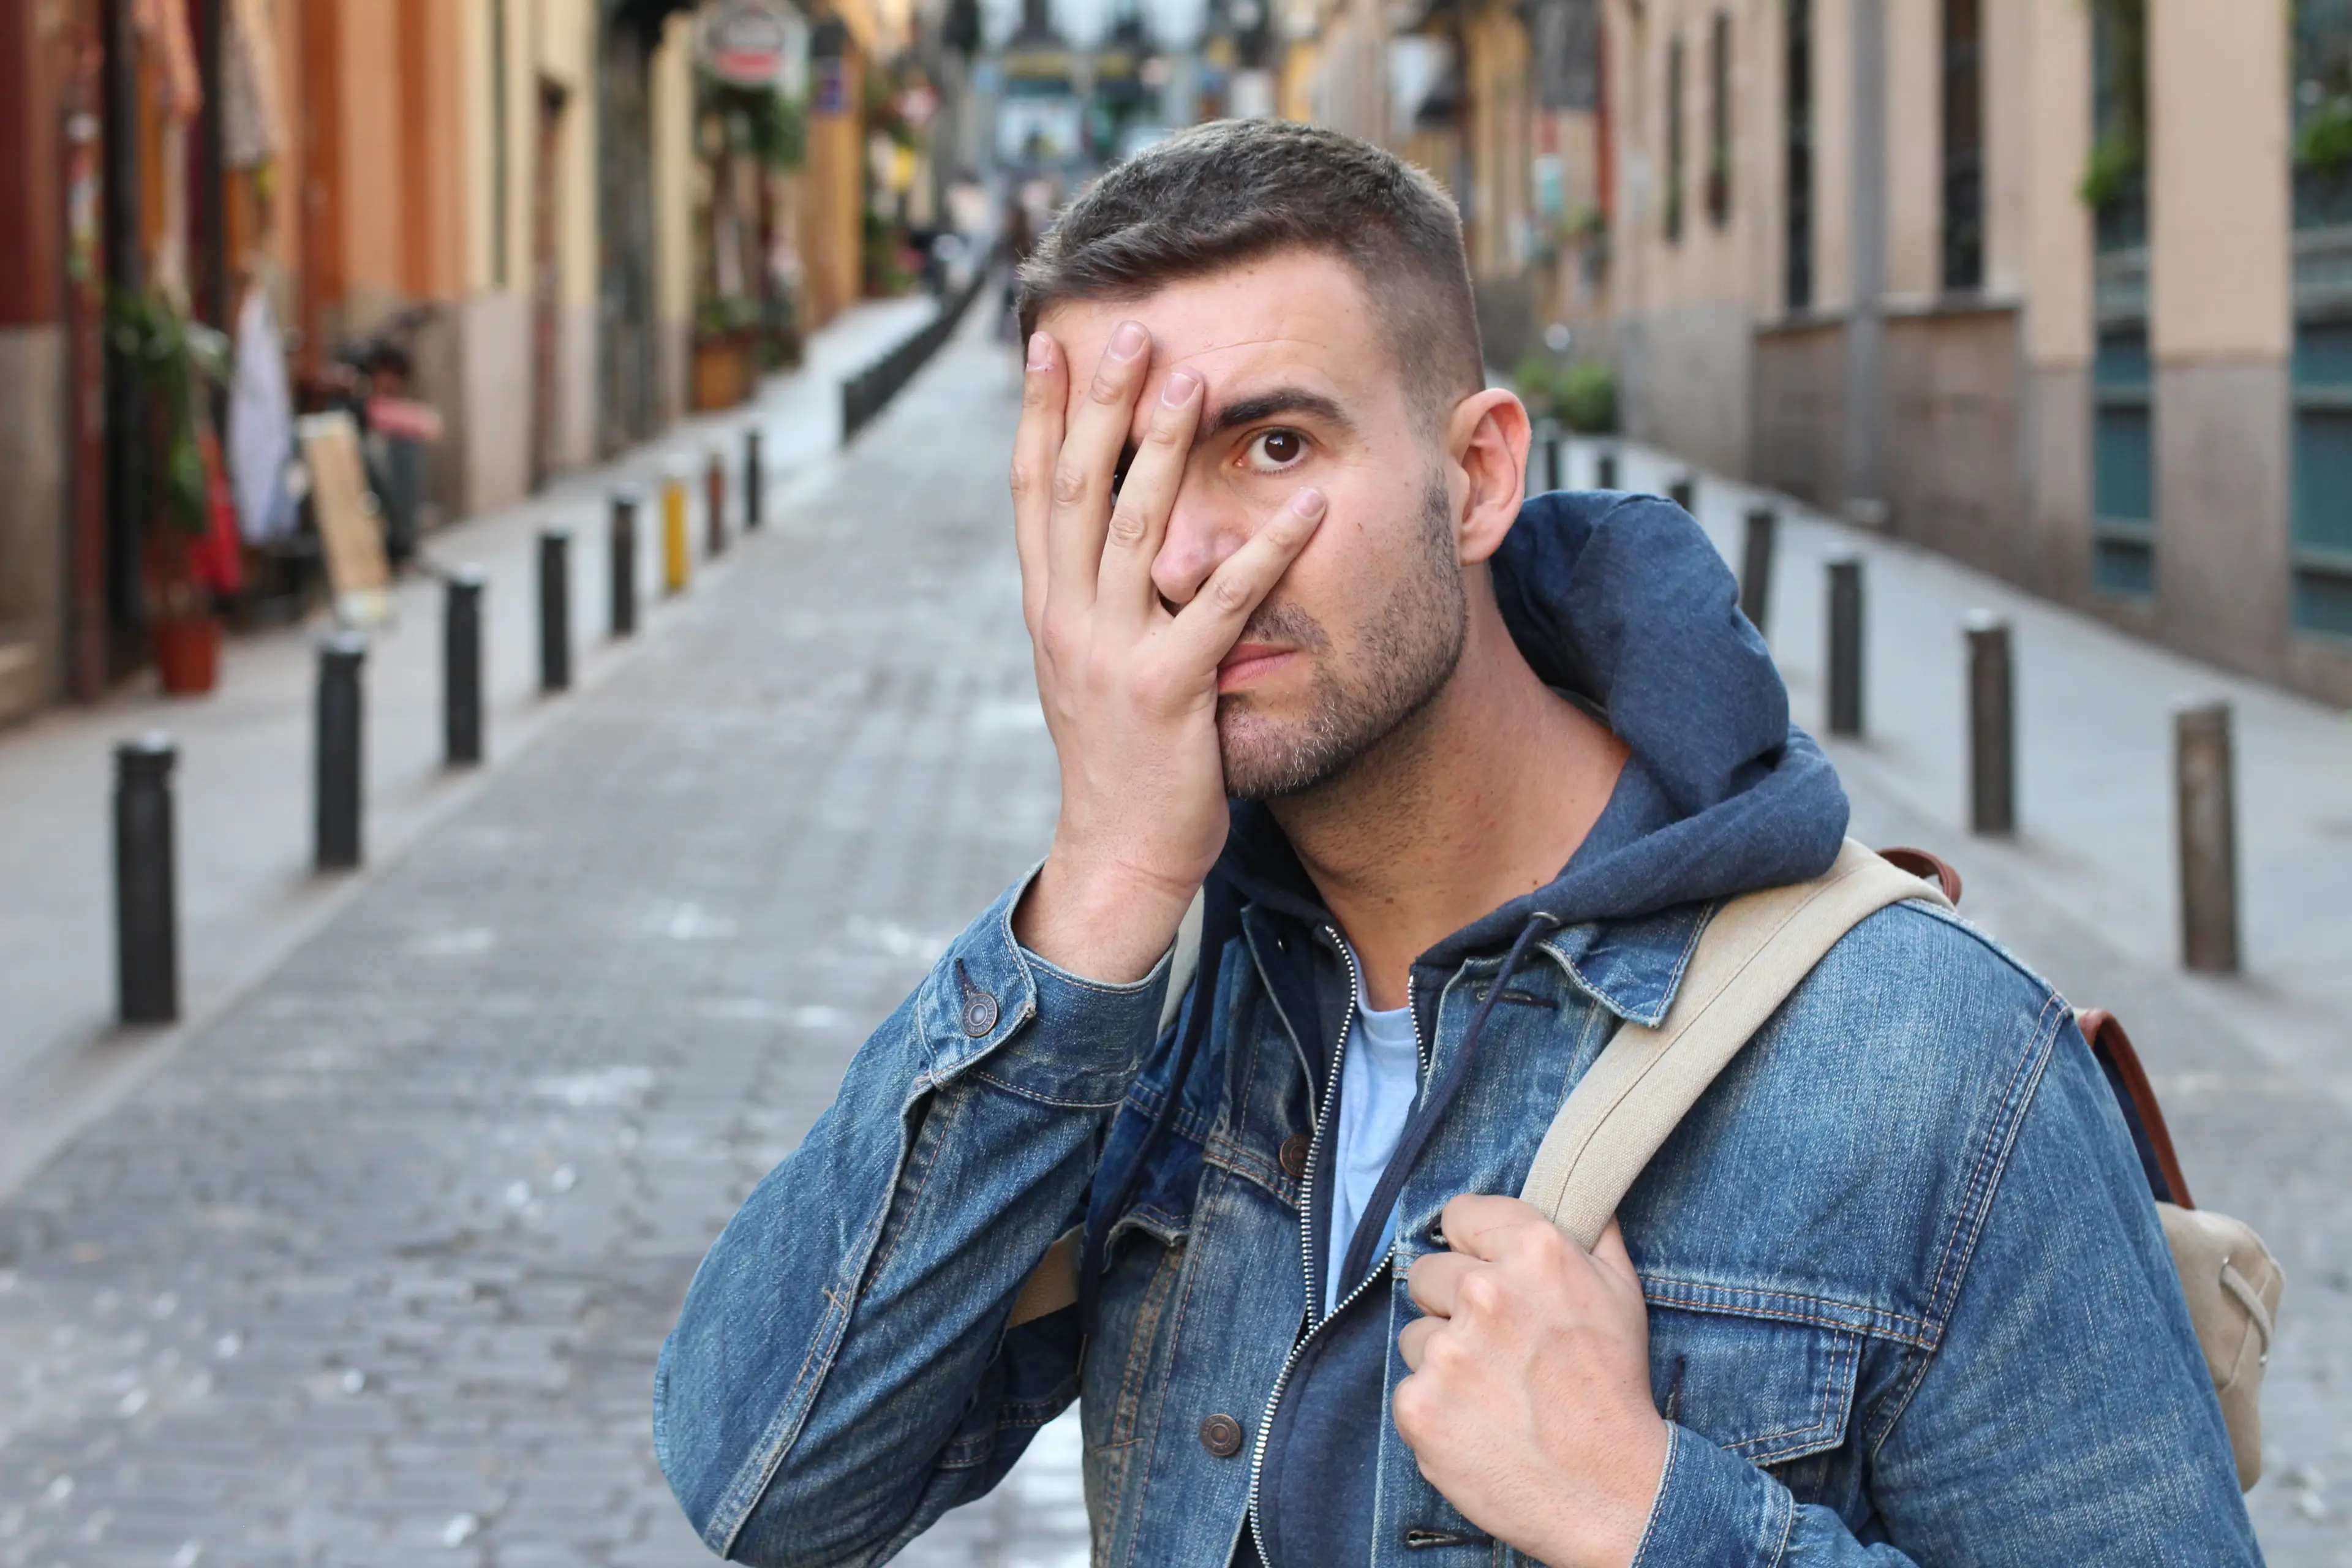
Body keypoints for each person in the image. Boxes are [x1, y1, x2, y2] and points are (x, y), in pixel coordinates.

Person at [654, 121, 2260, 1567]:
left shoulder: (1934, 1065)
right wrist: (1102, 889)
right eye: (1123, 476)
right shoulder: (1145, 1011)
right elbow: (771, 1483)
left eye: (1274, 448)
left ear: (1478, 473)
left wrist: (1652, 1513)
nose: (1189, 554)